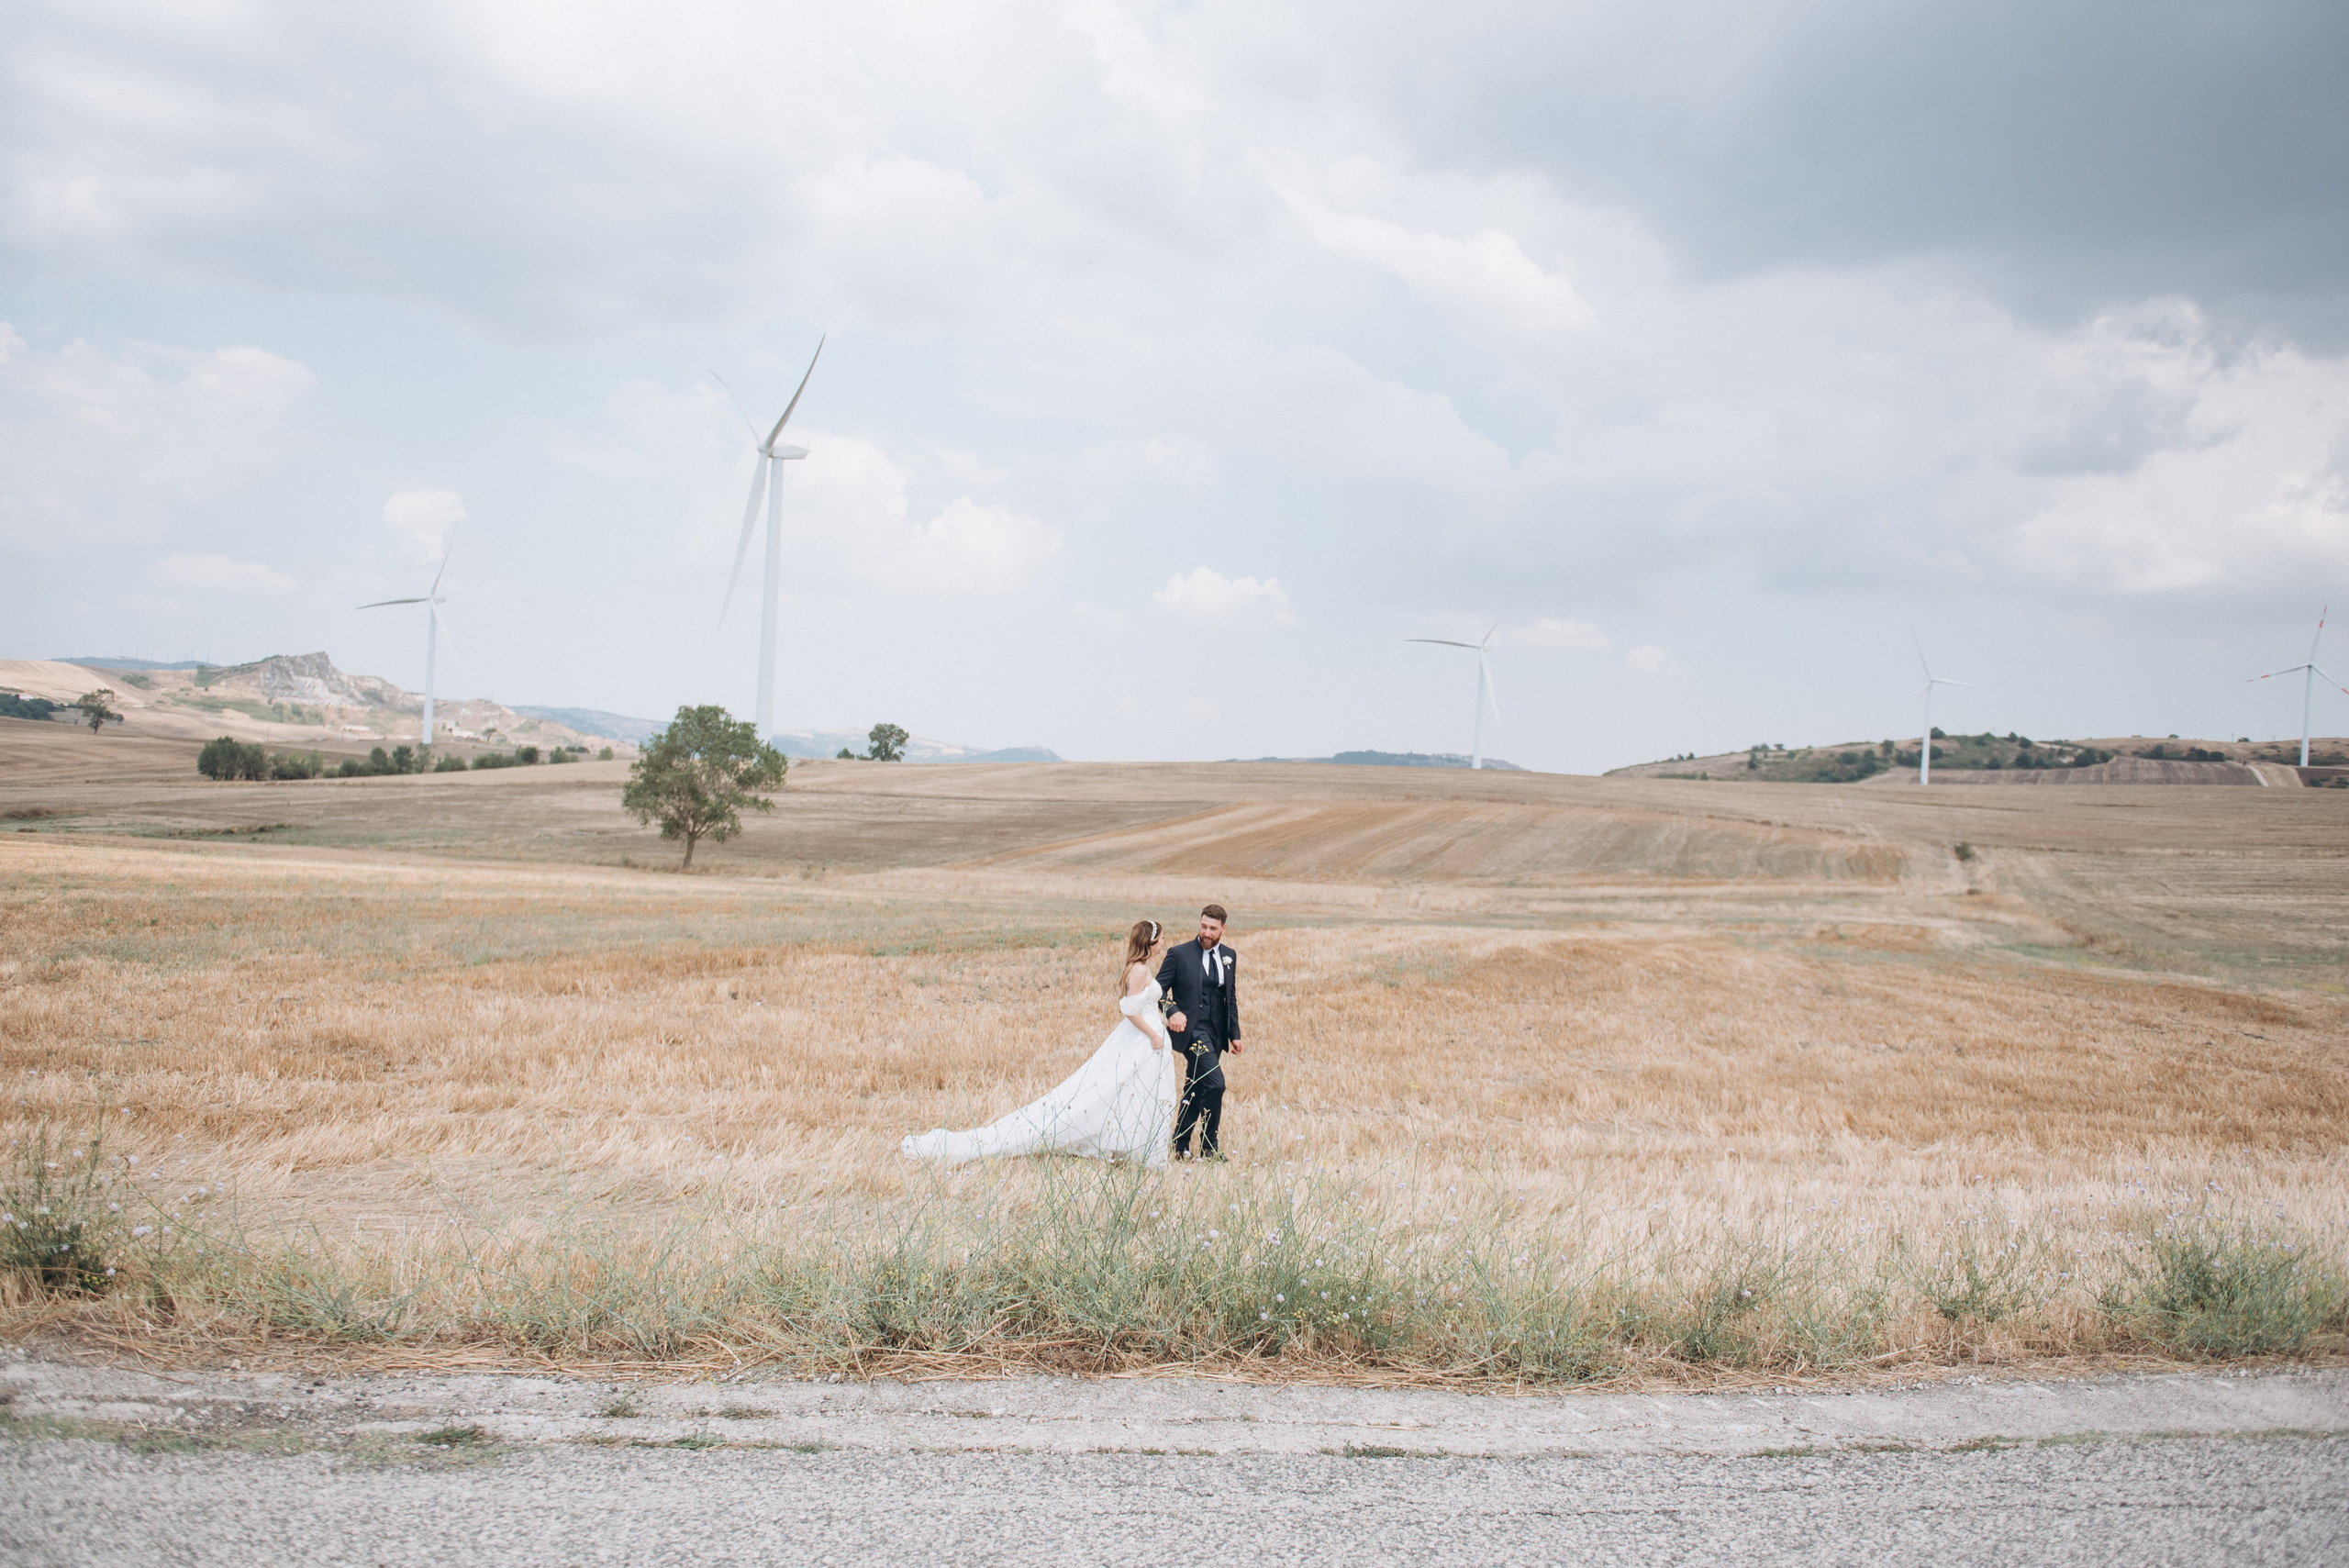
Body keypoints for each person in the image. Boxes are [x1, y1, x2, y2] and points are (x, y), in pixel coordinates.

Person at [902, 919, 1178, 1167]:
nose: (1164, 942)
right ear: (1150, 942)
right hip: (1143, 1039)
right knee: (1113, 1089)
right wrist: (1153, 1035)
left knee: (1134, 1091)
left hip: (1144, 1040)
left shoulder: (1141, 968)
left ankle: (1130, 1145)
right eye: (1161, 938)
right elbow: (1129, 1010)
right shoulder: (1139, 971)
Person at [1156, 903, 1243, 1161]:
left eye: (1213, 928)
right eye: (1203, 926)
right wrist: (1171, 1011)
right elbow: (1157, 990)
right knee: (1216, 1084)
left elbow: (1230, 997)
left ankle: (1180, 1144)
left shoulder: (1229, 955)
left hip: (1217, 1033)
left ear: (1223, 929)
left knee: (1196, 1086)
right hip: (1192, 1031)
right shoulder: (1179, 954)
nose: (1206, 932)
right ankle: (1209, 1146)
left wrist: (1234, 1034)